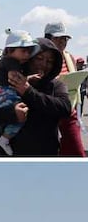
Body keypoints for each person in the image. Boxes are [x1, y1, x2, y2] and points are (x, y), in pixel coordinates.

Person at [0, 37, 70, 156]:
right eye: (39, 58)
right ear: (29, 58)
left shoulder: (56, 85)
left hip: (43, 157)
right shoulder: (10, 80)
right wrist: (13, 114)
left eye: (49, 61)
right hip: (8, 157)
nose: (44, 64)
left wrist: (28, 91)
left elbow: (65, 108)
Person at [0, 37, 37, 156]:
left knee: (0, 120)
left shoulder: (4, 61)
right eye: (23, 51)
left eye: (29, 51)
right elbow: (16, 79)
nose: (27, 54)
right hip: (6, 93)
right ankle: (5, 138)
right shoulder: (13, 63)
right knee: (21, 113)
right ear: (10, 50)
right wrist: (30, 78)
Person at [44, 21, 85, 157]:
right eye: (58, 38)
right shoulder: (40, 59)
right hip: (47, 113)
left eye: (65, 38)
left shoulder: (69, 57)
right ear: (47, 38)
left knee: (76, 152)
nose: (63, 42)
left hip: (68, 112)